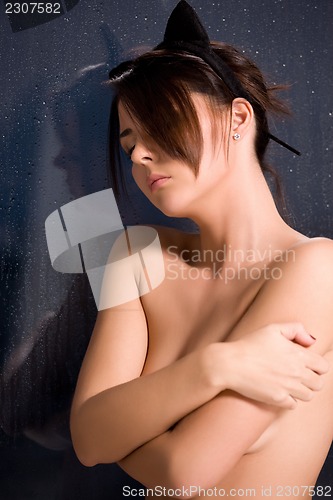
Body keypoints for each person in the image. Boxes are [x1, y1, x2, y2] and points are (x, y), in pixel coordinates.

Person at [70, 2, 333, 498]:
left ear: (237, 117)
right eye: (129, 144)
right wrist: (218, 365)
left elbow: (184, 471)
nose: (141, 155)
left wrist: (123, 430)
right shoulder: (137, 255)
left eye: (160, 125)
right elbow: (86, 439)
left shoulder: (318, 269)